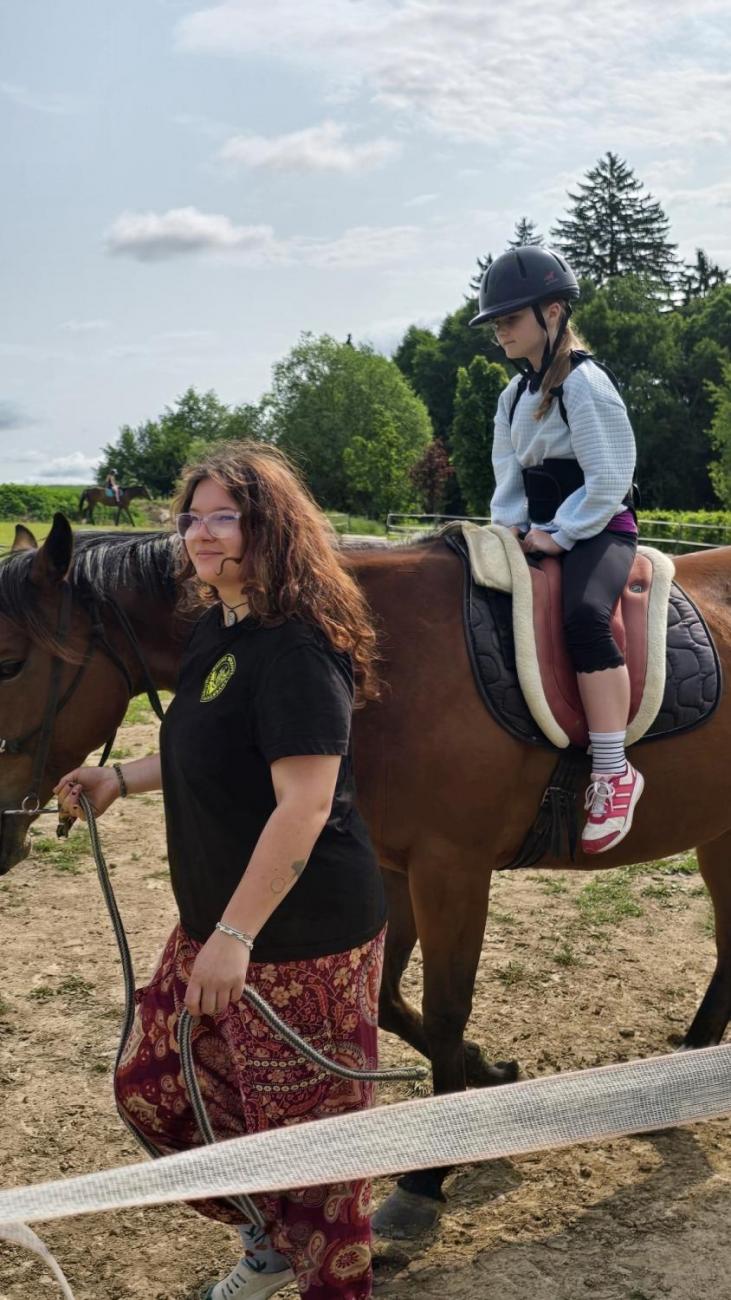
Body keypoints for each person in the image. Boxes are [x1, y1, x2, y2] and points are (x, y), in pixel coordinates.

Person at [55, 442, 387, 1300]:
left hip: (300, 939)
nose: (200, 533)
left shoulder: (298, 647)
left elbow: (304, 805)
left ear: (269, 526)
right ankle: (268, 1238)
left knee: (312, 1159)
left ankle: (321, 1274)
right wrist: (118, 779)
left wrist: (235, 937)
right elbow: (206, 742)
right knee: (154, 1092)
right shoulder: (218, 625)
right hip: (216, 921)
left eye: (222, 517)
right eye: (192, 516)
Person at [470, 245, 643, 855]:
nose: (499, 329)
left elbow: (609, 479)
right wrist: (508, 530)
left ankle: (612, 768)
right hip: (541, 530)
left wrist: (561, 534)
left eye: (509, 318)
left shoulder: (586, 385)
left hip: (599, 530)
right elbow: (508, 479)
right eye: (496, 320)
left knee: (584, 618)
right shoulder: (512, 397)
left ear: (552, 313)